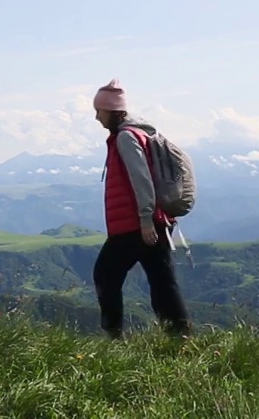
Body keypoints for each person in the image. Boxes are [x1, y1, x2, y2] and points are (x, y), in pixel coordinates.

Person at [91, 78, 191, 338]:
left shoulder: (126, 138)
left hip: (135, 225)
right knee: (163, 282)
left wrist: (145, 220)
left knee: (105, 275)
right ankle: (180, 338)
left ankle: (114, 338)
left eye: (99, 111)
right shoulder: (139, 134)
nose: (96, 117)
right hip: (154, 221)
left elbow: (141, 179)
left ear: (113, 111)